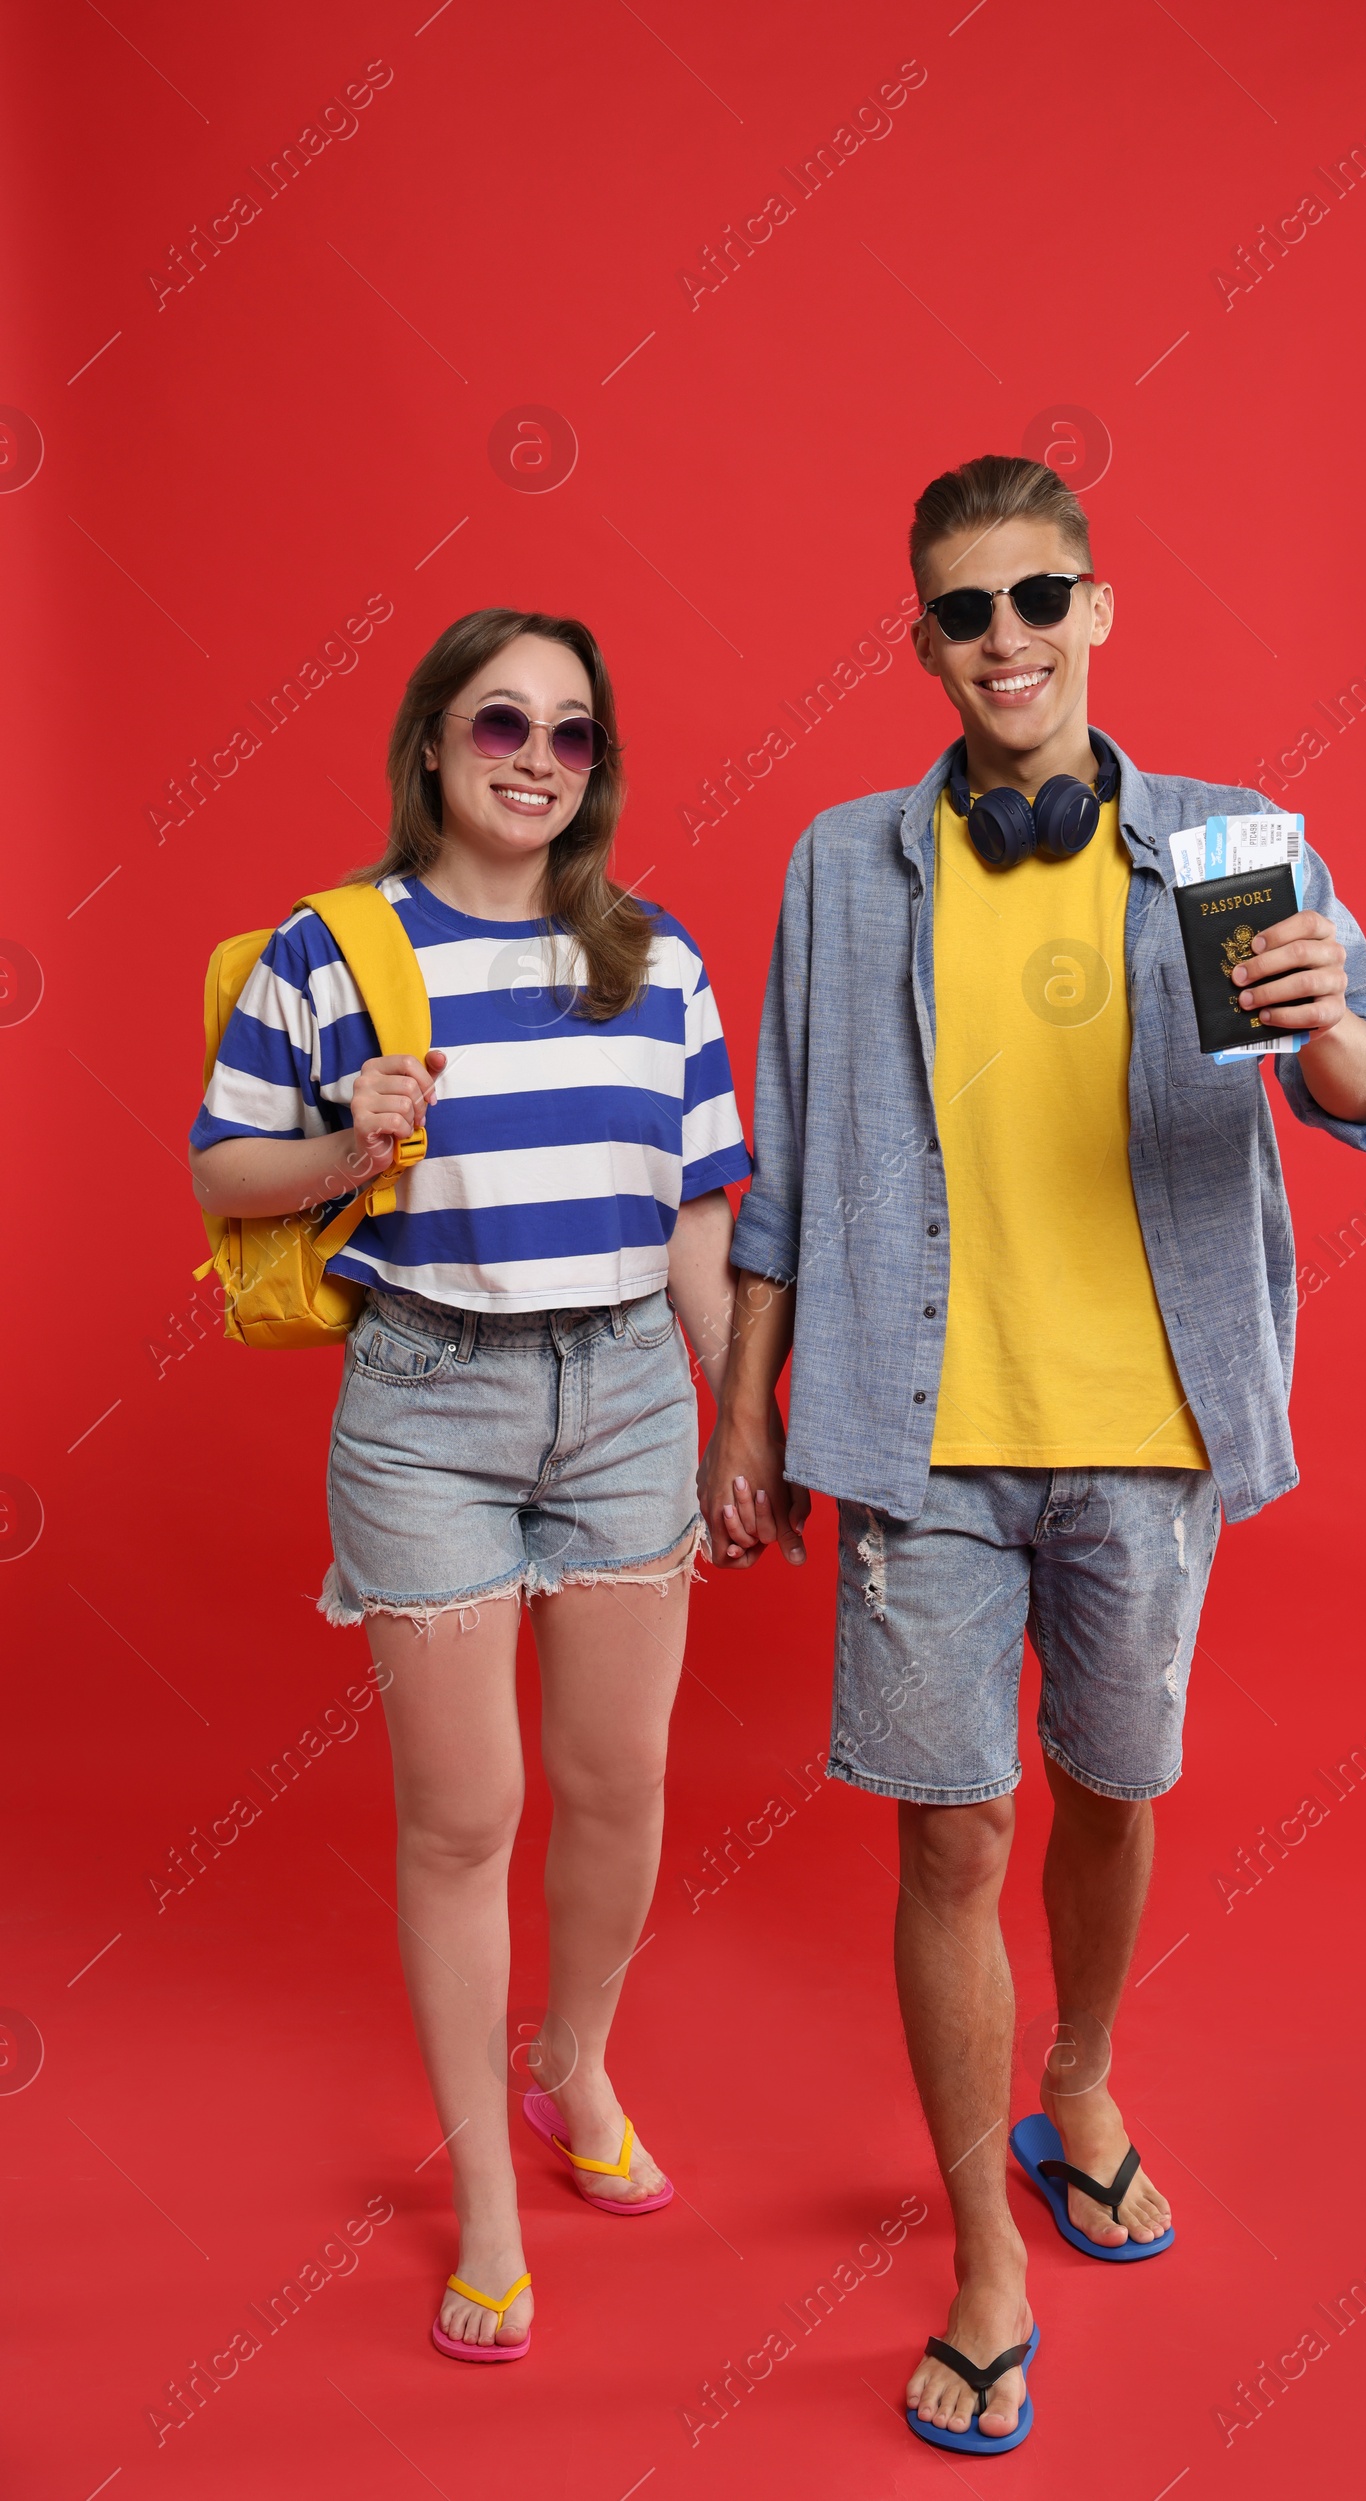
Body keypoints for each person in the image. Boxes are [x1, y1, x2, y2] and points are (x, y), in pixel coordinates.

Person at [700, 457, 1366, 2451]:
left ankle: (1078, 2081)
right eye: (962, 610)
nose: (1002, 637)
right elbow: (776, 1169)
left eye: (1035, 598)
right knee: (947, 1831)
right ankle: (982, 2260)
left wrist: (1327, 1025)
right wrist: (744, 1404)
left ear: (1095, 608)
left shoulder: (1221, 844)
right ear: (920, 639)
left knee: (1111, 1787)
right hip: (913, 1438)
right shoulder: (845, 868)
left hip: (1147, 1436)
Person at [190, 608, 750, 2361]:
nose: (534, 756)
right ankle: (488, 2212)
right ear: (432, 741)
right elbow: (222, 1174)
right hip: (427, 1394)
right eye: (499, 720)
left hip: (632, 1402)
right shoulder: (328, 948)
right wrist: (348, 1138)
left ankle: (571, 2058)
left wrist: (746, 1417)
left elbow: (701, 1217)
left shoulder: (652, 959)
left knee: (619, 1782)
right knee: (464, 1817)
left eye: (572, 733)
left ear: (598, 767)